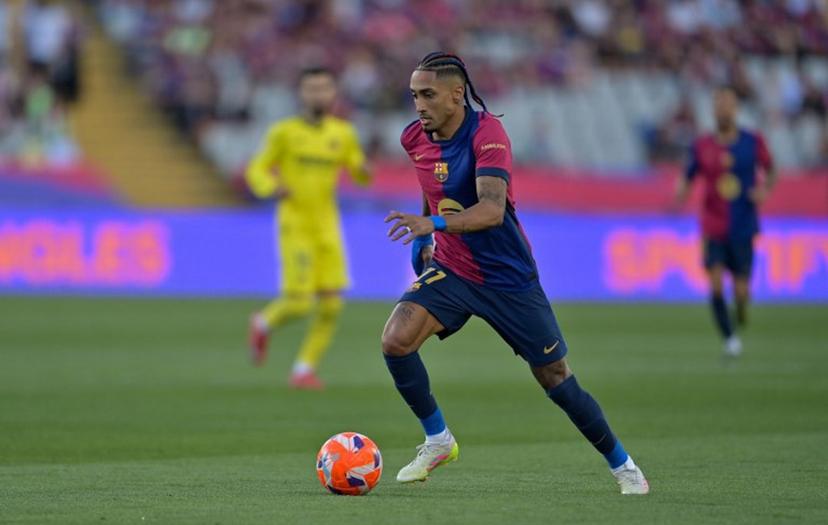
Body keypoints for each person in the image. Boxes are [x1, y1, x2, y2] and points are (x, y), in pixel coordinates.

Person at [381, 52, 649, 494]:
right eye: (414, 96)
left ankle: (624, 467)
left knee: (555, 376)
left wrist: (433, 224)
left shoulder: (487, 134)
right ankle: (438, 440)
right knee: (396, 340)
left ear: (457, 94)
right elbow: (432, 184)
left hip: (507, 278)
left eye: (428, 95)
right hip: (453, 268)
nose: (419, 105)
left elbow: (491, 210)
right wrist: (423, 238)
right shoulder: (414, 137)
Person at [246, 67, 370, 389]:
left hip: (327, 225)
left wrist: (363, 170)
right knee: (301, 303)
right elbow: (257, 168)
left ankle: (303, 369)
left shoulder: (343, 133)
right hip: (295, 223)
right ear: (301, 94)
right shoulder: (284, 133)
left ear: (333, 93)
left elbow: (358, 171)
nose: (318, 94)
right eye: (312, 88)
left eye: (324, 88)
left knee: (332, 304)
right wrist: (269, 186)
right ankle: (263, 322)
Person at [676, 85, 776, 356]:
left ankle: (741, 309)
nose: (722, 108)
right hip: (713, 226)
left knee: (741, 291)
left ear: (736, 108)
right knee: (716, 282)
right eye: (718, 103)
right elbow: (689, 175)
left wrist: (764, 190)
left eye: (727, 103)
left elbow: (771, 169)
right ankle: (730, 339)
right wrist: (681, 193)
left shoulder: (752, 141)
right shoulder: (702, 146)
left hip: (743, 225)